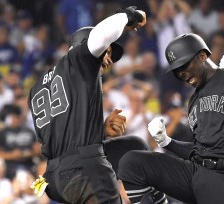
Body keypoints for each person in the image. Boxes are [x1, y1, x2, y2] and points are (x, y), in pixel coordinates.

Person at [118, 33, 224, 203]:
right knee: (133, 163)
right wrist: (167, 142)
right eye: (177, 71)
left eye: (184, 65)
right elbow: (199, 151)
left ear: (202, 55)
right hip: (196, 174)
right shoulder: (194, 100)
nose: (182, 73)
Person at [28, 7, 147, 204]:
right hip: (84, 170)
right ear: (85, 47)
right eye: (106, 51)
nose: (109, 60)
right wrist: (129, 15)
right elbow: (99, 36)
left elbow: (59, 137)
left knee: (134, 147)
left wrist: (98, 131)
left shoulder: (36, 88)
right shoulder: (79, 60)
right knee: (136, 150)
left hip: (54, 178)